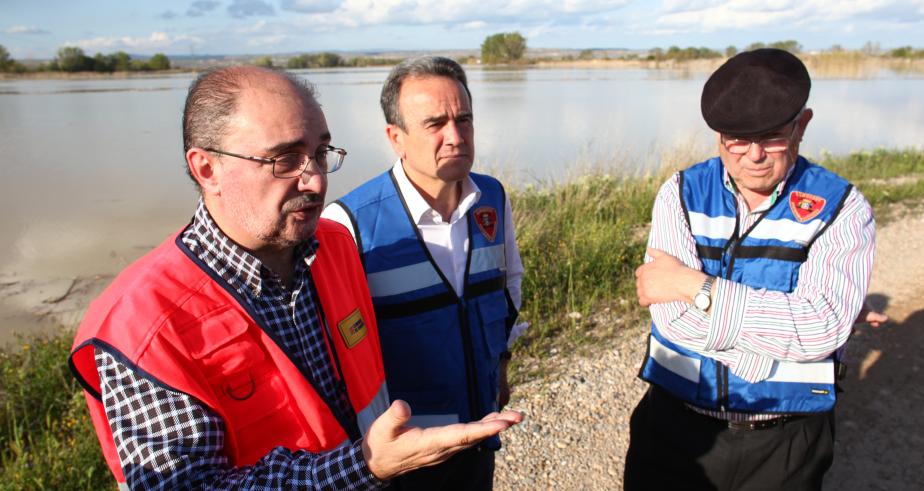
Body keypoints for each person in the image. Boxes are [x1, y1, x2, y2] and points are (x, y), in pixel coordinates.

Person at [68, 65, 522, 490]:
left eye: (321, 153)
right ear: (207, 168)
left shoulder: (334, 247)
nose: (317, 181)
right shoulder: (142, 324)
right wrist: (364, 467)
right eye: (285, 159)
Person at [624, 48, 877, 490]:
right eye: (736, 139)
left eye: (773, 136)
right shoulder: (679, 193)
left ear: (803, 125)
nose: (753, 155)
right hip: (672, 429)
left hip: (786, 441)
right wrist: (782, 332)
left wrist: (694, 286)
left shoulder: (842, 208)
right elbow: (671, 320)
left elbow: (824, 328)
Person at [322, 56, 524, 490]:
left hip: (479, 436)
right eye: (435, 124)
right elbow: (336, 355)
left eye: (464, 119)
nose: (455, 136)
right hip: (404, 456)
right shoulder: (348, 225)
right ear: (396, 138)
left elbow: (508, 287)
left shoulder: (492, 197)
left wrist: (501, 366)